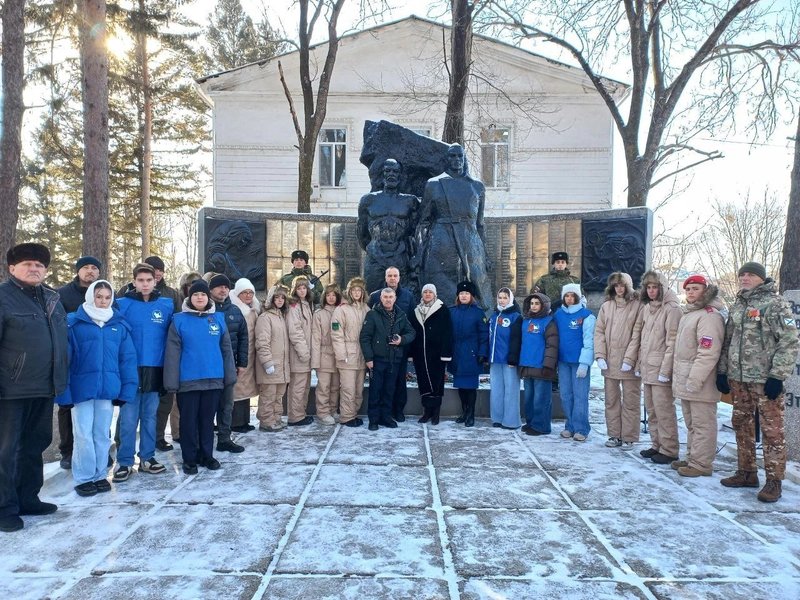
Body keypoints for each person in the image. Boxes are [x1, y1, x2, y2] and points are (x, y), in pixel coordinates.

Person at [717, 262, 800, 502]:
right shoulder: (738, 305)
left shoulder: (775, 304)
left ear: (761, 279)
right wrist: (723, 372)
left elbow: (789, 342)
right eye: (742, 274)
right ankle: (746, 472)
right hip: (738, 378)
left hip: (765, 380)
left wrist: (777, 375)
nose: (744, 278)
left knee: (772, 431)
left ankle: (774, 482)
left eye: (750, 275)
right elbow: (727, 341)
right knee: (741, 424)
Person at [0, 243, 68, 533]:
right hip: (10, 390)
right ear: (12, 268)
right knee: (5, 450)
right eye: (27, 263)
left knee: (34, 446)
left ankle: (28, 498)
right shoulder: (3, 298)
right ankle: (5, 507)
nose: (34, 268)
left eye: (39, 265)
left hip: (44, 386)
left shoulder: (52, 298)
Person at [56, 281, 138, 496]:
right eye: (99, 296)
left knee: (102, 434)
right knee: (83, 434)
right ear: (91, 297)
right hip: (81, 390)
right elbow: (64, 360)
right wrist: (64, 392)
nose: (103, 301)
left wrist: (126, 391)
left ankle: (100, 474)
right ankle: (84, 477)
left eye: (107, 297)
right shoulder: (74, 323)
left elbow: (127, 360)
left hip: (107, 390)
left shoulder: (118, 325)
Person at [164, 279, 237, 474]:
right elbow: (172, 354)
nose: (199, 297)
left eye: (203, 294)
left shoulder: (218, 319)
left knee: (207, 421)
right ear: (190, 297)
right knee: (188, 421)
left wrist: (228, 376)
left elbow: (226, 350)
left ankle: (207, 455)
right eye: (196, 294)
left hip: (213, 379)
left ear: (208, 297)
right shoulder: (179, 320)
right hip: (188, 380)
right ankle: (190, 458)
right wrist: (171, 382)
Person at [114, 263, 174, 482]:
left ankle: (148, 457)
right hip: (129, 369)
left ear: (155, 281)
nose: (145, 284)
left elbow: (173, 338)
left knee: (150, 417)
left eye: (149, 280)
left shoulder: (166, 305)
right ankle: (125, 462)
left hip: (155, 369)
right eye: (141, 280)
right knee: (129, 419)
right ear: (134, 282)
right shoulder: (122, 305)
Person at [419, 144, 492, 307]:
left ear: (464, 158)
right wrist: (420, 253)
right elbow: (423, 222)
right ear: (446, 159)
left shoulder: (477, 186)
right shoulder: (434, 184)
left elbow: (480, 224)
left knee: (477, 290)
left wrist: (485, 254)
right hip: (442, 241)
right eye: (452, 156)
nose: (456, 160)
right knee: (443, 290)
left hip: (471, 242)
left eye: (460, 156)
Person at [671, 275, 725, 477]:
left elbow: (708, 351)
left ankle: (702, 464)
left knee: (703, 424)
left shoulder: (709, 316)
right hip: (687, 378)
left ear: (705, 290)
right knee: (692, 423)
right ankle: (693, 457)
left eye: (695, 288)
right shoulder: (691, 313)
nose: (691, 292)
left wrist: (695, 379)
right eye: (688, 289)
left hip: (700, 381)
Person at [56, 255, 102, 470]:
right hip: (71, 359)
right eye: (86, 268)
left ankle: (96, 451)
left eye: (94, 268)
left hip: (97, 359)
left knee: (99, 407)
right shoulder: (63, 294)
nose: (90, 271)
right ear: (78, 271)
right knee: (68, 407)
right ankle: (67, 451)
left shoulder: (103, 293)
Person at [636, 271, 683, 465]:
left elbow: (672, 343)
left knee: (664, 411)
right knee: (652, 410)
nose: (652, 291)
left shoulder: (672, 309)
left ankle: (670, 449)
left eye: (655, 287)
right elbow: (643, 340)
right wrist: (639, 363)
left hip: (661, 368)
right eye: (648, 287)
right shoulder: (647, 308)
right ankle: (657, 445)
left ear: (662, 288)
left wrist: (666, 371)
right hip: (648, 367)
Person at [594, 272, 644, 451]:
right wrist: (600, 355)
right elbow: (599, 331)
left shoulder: (638, 306)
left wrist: (631, 359)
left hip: (629, 363)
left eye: (622, 285)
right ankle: (614, 434)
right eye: (616, 285)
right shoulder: (607, 306)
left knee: (631, 401)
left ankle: (629, 436)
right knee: (611, 400)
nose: (619, 288)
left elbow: (638, 334)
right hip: (610, 361)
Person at [357, 158, 420, 293]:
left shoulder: (410, 201)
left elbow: (417, 232)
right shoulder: (368, 200)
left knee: (401, 299)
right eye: (388, 171)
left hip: (400, 257)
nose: (391, 174)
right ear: (382, 174)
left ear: (400, 175)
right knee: (372, 298)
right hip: (375, 257)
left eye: (395, 171)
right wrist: (374, 247)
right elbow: (361, 234)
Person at [360, 287, 415, 430]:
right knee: (375, 390)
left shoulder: (401, 314)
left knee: (389, 390)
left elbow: (411, 332)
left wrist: (401, 340)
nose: (388, 299)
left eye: (391, 297)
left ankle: (385, 417)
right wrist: (369, 358)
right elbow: (365, 337)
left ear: (395, 299)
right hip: (377, 359)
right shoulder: (372, 314)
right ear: (381, 298)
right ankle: (374, 419)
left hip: (394, 359)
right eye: (386, 297)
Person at [208, 274, 247, 453]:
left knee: (226, 405)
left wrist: (242, 363)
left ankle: (224, 438)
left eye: (226, 287)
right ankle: (205, 440)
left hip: (229, 365)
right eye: (219, 287)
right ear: (211, 289)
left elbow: (243, 338)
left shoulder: (235, 311)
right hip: (208, 366)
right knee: (208, 405)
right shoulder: (205, 309)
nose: (223, 290)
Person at [553, 284, 595, 441]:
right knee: (565, 395)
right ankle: (570, 425)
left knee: (580, 395)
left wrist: (585, 363)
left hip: (579, 363)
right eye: (566, 296)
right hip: (563, 361)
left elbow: (589, 341)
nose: (569, 299)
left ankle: (582, 428)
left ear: (578, 297)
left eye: (572, 296)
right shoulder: (559, 314)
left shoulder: (586, 316)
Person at [411, 284, 453, 425]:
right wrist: (411, 353)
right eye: (425, 292)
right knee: (423, 382)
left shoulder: (442, 310)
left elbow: (448, 333)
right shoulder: (416, 311)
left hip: (436, 354)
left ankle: (436, 413)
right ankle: (426, 412)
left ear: (434, 294)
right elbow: (412, 333)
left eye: (430, 292)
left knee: (436, 383)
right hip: (420, 354)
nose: (428, 294)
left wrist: (445, 353)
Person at [517, 293, 559, 436]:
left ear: (544, 306)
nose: (533, 306)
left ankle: (541, 426)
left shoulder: (549, 322)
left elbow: (552, 345)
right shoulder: (525, 321)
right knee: (529, 398)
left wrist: (549, 365)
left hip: (542, 367)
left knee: (541, 398)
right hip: (527, 365)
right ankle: (531, 423)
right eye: (532, 303)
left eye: (537, 303)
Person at [448, 281, 489, 427]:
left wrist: (482, 353)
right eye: (461, 293)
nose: (464, 296)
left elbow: (484, 334)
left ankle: (471, 413)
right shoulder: (452, 311)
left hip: (471, 354)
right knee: (460, 386)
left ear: (471, 296)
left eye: (467, 293)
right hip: (456, 353)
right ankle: (464, 411)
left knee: (470, 387)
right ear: (458, 296)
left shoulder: (478, 313)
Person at [331, 277, 370, 428]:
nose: (356, 293)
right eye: (353, 290)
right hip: (347, 353)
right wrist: (341, 354)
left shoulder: (366, 309)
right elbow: (336, 333)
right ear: (349, 292)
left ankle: (353, 414)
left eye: (359, 290)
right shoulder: (341, 309)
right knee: (348, 388)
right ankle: (346, 417)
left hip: (361, 354)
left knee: (359, 389)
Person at [255, 285, 291, 432]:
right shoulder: (265, 317)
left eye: (283, 298)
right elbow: (262, 342)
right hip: (270, 364)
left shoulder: (281, 317)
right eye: (277, 297)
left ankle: (276, 418)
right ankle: (266, 421)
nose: (280, 300)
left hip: (281, 365)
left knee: (278, 395)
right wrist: (267, 362)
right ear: (271, 299)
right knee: (268, 395)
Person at [487, 287, 522, 429]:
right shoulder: (494, 316)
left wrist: (513, 358)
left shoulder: (515, 317)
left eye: (504, 298)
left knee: (511, 390)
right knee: (496, 389)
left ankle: (511, 420)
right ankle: (497, 418)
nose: (501, 300)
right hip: (495, 359)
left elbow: (516, 339)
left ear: (510, 299)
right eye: (500, 297)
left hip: (509, 361)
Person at [229, 278, 260, 432]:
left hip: (250, 355)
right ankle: (236, 423)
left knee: (247, 389)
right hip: (238, 355)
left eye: (250, 293)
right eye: (244, 293)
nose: (248, 296)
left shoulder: (253, 310)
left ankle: (244, 420)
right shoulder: (235, 310)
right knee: (238, 390)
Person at [311, 284, 342, 426]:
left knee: (335, 386)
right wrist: (315, 361)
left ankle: (332, 409)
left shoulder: (341, 311)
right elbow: (315, 338)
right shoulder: (319, 314)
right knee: (324, 386)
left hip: (338, 354)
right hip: (324, 354)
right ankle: (323, 413)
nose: (331, 298)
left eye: (334, 295)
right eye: (328, 295)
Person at [286, 277, 315, 426]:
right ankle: (295, 417)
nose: (302, 291)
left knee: (304, 386)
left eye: (304, 288)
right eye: (299, 288)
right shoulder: (294, 306)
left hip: (306, 352)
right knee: (298, 386)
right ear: (294, 290)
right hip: (299, 353)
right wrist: (303, 351)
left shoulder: (306, 304)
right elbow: (295, 331)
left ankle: (301, 413)